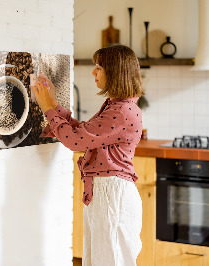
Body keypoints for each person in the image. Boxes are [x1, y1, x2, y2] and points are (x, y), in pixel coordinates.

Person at [32, 44, 144, 266]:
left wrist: (47, 108)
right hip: (107, 193)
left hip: (112, 196)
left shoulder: (121, 111)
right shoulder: (117, 106)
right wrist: (54, 104)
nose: (93, 72)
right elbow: (83, 133)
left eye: (99, 67)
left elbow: (75, 141)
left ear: (115, 72)